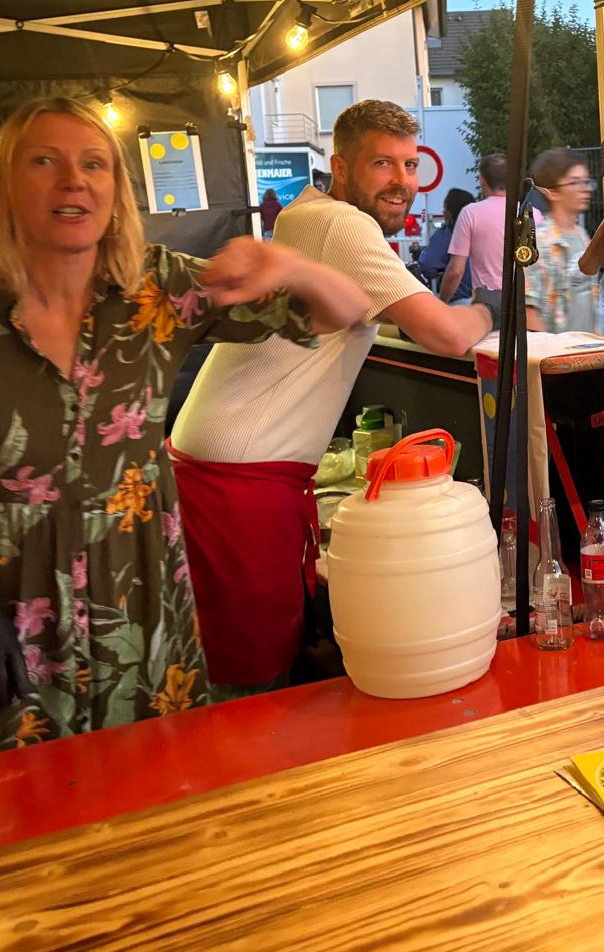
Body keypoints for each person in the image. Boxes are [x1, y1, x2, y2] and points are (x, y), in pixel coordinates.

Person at [0, 96, 376, 772]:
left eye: (94, 164)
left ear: (117, 191)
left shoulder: (159, 288)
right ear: (6, 184)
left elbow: (346, 312)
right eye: (45, 161)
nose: (73, 180)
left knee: (137, 803)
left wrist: (291, 265)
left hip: (136, 599)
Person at [169, 100, 494, 690]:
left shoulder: (307, 215)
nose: (402, 182)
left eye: (410, 165)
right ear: (340, 169)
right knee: (250, 671)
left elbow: (370, 312)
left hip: (222, 456)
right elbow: (445, 336)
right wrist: (493, 307)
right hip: (240, 470)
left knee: (230, 654)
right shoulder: (342, 224)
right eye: (382, 165)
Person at [523, 148, 603, 334]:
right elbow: (529, 310)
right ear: (552, 192)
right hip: (558, 355)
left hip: (588, 349)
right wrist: (553, 357)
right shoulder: (538, 243)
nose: (585, 189)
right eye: (575, 182)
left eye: (586, 181)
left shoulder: (583, 236)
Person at [441, 154, 508, 300]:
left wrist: (443, 301)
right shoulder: (533, 214)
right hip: (523, 303)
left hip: (488, 302)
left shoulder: (470, 213)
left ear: (482, 179)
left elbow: (456, 271)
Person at [418, 187, 475, 301]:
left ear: (449, 212)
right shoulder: (485, 231)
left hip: (459, 301)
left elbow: (428, 266)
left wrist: (442, 301)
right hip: (489, 301)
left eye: (445, 207)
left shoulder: (447, 234)